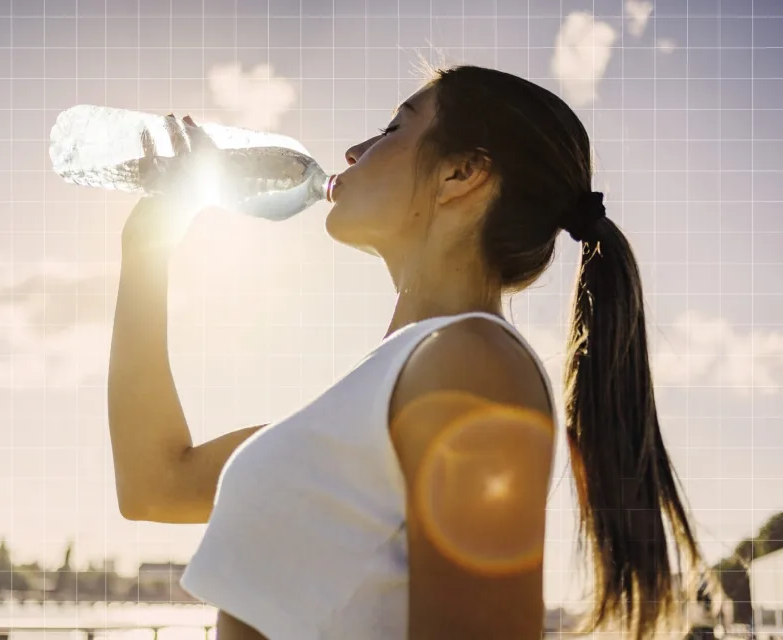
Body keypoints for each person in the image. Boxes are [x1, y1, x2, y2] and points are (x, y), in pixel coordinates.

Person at [107, 64, 703, 639]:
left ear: (460, 173)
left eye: (393, 129)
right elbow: (157, 483)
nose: (353, 152)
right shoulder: (398, 378)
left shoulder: (472, 364)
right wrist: (147, 247)